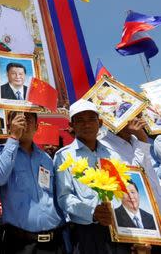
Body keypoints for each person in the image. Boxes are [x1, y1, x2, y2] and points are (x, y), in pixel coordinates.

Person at [54, 99, 126, 254]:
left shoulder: (112, 155)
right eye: (80, 120)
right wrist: (92, 212)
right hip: (85, 233)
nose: (86, 125)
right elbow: (64, 197)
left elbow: (123, 190)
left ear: (99, 122)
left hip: (117, 229)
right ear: (71, 126)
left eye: (91, 119)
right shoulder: (64, 157)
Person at [0, 111, 65, 254]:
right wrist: (13, 138)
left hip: (53, 242)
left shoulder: (46, 158)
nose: (23, 121)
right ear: (9, 125)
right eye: (17, 117)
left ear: (36, 126)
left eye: (28, 118)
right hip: (20, 244)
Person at [99, 116, 161, 206]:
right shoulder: (104, 147)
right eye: (135, 115)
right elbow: (135, 179)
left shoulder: (135, 138)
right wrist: (142, 140)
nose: (140, 120)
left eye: (140, 115)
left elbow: (151, 172)